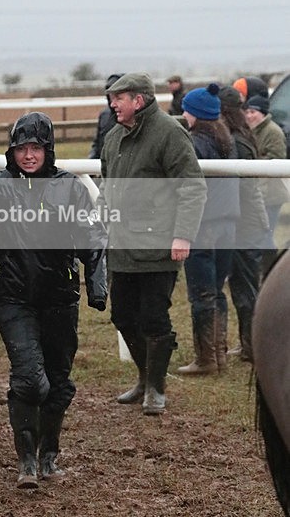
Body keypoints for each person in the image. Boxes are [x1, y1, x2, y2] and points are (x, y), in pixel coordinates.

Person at [0, 112, 107, 489]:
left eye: (35, 148)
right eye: (22, 148)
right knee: (30, 379)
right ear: (11, 151)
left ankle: (49, 454)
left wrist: (96, 287)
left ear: (47, 150)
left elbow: (93, 238)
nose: (29, 155)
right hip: (13, 296)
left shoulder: (70, 187)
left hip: (59, 297)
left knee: (59, 380)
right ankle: (26, 461)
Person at [99, 72, 206, 414]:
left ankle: (156, 389)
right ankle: (145, 377)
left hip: (160, 246)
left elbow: (192, 186)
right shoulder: (113, 138)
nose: (113, 103)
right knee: (122, 316)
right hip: (121, 246)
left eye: (119, 98)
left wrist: (183, 234)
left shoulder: (170, 133)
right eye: (112, 98)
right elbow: (106, 187)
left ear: (139, 100)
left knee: (153, 318)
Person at [177, 84, 240, 376]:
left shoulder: (193, 143)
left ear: (196, 114)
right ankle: (220, 353)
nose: (183, 113)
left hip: (204, 223)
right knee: (217, 291)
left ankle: (205, 359)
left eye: (186, 109)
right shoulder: (227, 139)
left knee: (201, 293)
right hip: (228, 222)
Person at [218, 86, 269, 363]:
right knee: (244, 286)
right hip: (249, 219)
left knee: (245, 289)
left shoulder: (235, 141)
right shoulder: (242, 135)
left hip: (244, 223)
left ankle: (252, 346)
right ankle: (249, 343)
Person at [243, 94, 289, 274]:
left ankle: (271, 270)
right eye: (247, 111)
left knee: (266, 235)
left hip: (271, 194)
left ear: (262, 113)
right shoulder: (252, 130)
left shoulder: (273, 132)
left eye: (252, 112)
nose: (248, 115)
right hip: (260, 193)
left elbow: (276, 161)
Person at [87, 74, 121, 159]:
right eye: (110, 96)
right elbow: (97, 144)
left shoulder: (132, 117)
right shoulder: (104, 116)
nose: (112, 102)